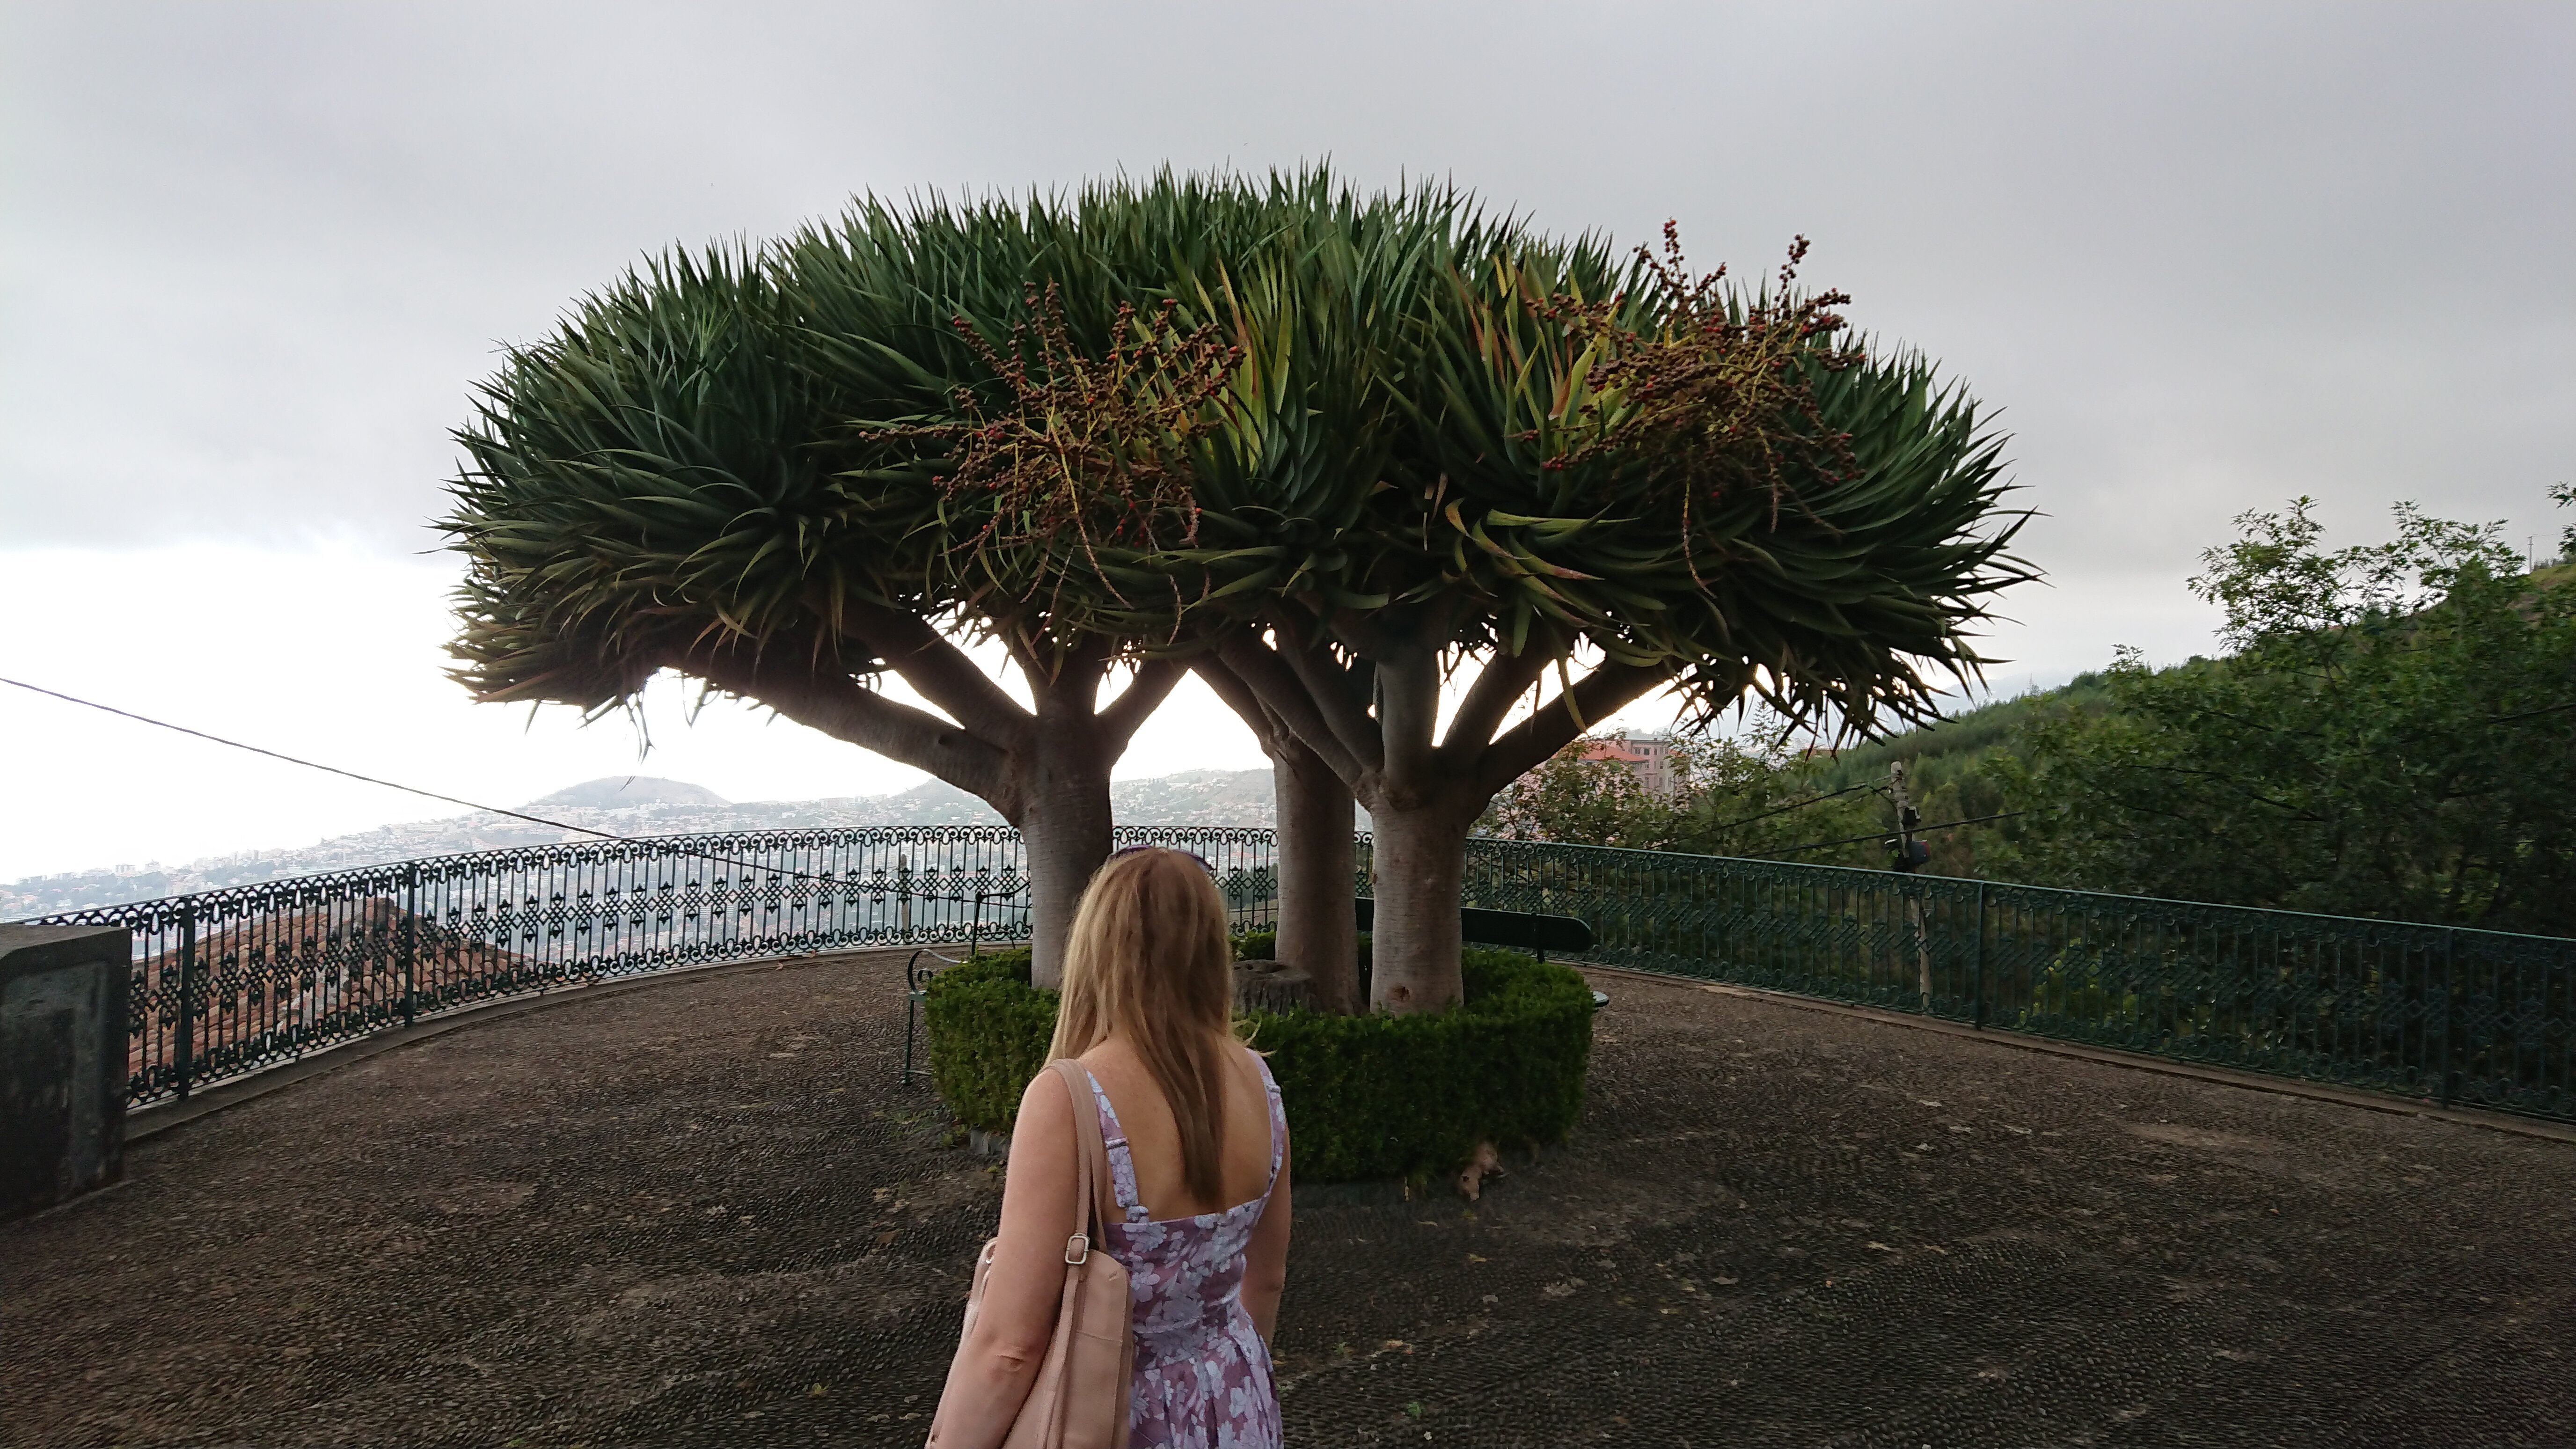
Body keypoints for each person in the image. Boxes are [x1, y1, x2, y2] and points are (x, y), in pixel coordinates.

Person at [927, 847, 1292, 1449]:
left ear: (1096, 944)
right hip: (1236, 1399)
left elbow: (1009, 1349)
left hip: (1112, 1416)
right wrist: (1219, 1377)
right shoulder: (1258, 1080)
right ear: (1210, 947)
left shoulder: (1071, 1097)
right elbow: (1268, 1277)